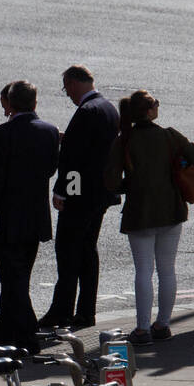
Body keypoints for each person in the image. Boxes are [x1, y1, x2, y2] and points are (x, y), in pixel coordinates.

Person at [103, 89, 194, 345]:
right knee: (167, 270)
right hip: (171, 210)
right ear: (150, 111)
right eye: (155, 104)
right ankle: (163, 325)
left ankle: (141, 329)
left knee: (144, 271)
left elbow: (111, 182)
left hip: (139, 213)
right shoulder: (170, 136)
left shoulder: (124, 140)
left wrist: (132, 184)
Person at [0, 80, 60, 354]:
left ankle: (25, 336)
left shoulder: (1, 133)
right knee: (19, 275)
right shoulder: (50, 132)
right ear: (35, 102)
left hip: (7, 220)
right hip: (35, 218)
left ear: (10, 103)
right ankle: (6, 330)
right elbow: (48, 170)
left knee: (12, 279)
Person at [40, 65, 120, 330]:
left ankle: (61, 311)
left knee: (67, 251)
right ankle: (86, 312)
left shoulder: (86, 112)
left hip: (81, 195)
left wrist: (62, 191)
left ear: (74, 83)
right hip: (101, 193)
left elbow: (74, 159)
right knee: (87, 251)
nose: (68, 94)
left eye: (66, 88)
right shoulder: (108, 108)